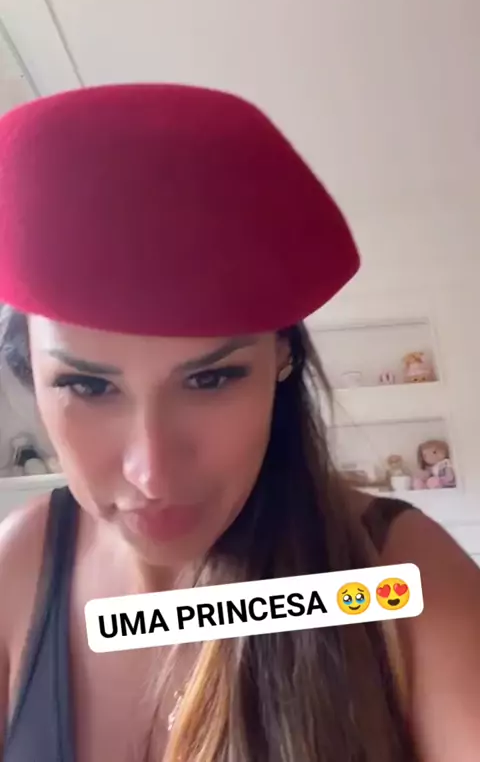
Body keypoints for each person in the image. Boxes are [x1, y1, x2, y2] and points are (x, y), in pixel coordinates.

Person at [0, 84, 478, 762]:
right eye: (88, 386)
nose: (152, 472)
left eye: (211, 379)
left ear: (283, 357)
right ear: (29, 372)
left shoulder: (400, 576)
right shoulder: (19, 565)